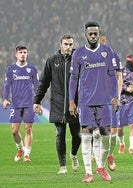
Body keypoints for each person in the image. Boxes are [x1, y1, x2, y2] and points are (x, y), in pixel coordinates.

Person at [68, 21, 119, 183]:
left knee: (106, 136)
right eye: (90, 33)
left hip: (104, 102)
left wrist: (115, 96)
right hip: (85, 103)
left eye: (95, 33)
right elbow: (74, 78)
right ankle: (89, 173)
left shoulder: (107, 51)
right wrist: (71, 101)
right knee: (87, 136)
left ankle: (101, 166)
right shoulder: (78, 54)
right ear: (85, 35)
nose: (93, 36)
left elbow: (113, 76)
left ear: (99, 34)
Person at [33, 35, 81, 174]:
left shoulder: (77, 60)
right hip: (58, 104)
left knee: (77, 135)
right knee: (60, 134)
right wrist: (37, 101)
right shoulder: (52, 61)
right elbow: (43, 82)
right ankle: (63, 166)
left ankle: (73, 155)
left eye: (71, 44)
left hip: (74, 105)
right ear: (60, 44)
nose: (68, 47)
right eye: (66, 44)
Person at [93, 30, 123, 172]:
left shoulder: (113, 55)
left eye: (103, 41)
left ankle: (110, 155)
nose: (101, 44)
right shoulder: (88, 57)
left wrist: (117, 96)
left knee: (113, 132)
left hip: (110, 99)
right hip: (94, 98)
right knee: (97, 132)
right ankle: (99, 160)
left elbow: (119, 77)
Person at [2, 45, 39, 162]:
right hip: (16, 104)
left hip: (29, 103)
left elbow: (37, 86)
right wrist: (5, 98)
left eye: (25, 52)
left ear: (27, 54)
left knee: (28, 128)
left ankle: (27, 154)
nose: (23, 54)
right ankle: (20, 149)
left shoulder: (32, 69)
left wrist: (38, 102)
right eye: (21, 52)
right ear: (16, 54)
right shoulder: (10, 69)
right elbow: (7, 85)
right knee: (14, 131)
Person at [117, 54, 133, 155]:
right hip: (121, 103)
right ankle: (122, 143)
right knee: (120, 127)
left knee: (132, 125)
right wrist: (125, 89)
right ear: (132, 62)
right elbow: (115, 84)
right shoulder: (121, 72)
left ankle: (131, 147)